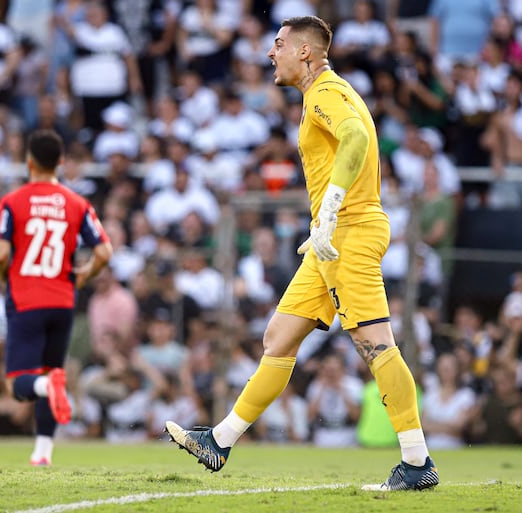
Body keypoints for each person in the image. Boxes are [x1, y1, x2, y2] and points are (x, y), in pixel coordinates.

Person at [165, 16, 439, 492]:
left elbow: (354, 137)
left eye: (279, 44)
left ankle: (417, 464)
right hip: (330, 237)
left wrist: (330, 208)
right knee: (279, 338)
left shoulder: (325, 94)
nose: (272, 53)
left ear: (305, 53)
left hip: (347, 231)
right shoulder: (329, 91)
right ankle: (220, 441)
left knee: (375, 345)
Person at [0, 130, 112, 466]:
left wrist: (5, 276)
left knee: (21, 384)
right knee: (52, 371)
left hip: (26, 299)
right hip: (62, 300)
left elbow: (1, 254)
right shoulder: (77, 203)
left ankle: (45, 389)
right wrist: (84, 274)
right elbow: (105, 250)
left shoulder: (11, 202)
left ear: (28, 162)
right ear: (60, 162)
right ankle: (42, 453)